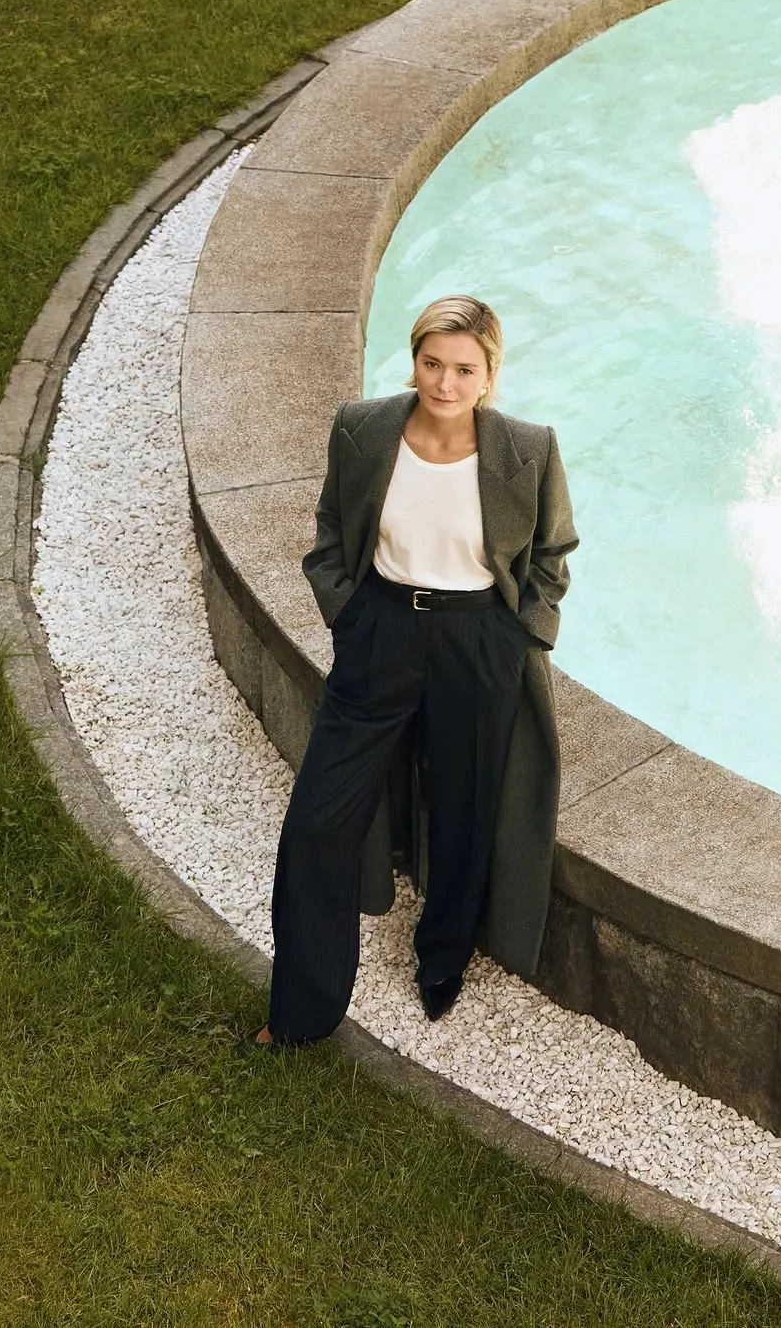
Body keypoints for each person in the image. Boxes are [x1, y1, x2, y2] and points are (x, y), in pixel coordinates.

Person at [239, 294, 578, 1053]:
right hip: (382, 632)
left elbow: (553, 553)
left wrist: (522, 637)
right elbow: (332, 529)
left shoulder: (529, 449)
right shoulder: (362, 429)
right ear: (414, 359)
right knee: (318, 822)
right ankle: (300, 1013)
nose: (445, 383)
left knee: (464, 808)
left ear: (490, 375)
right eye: (431, 363)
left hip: (479, 641)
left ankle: (442, 959)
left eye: (464, 369)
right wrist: (348, 614)